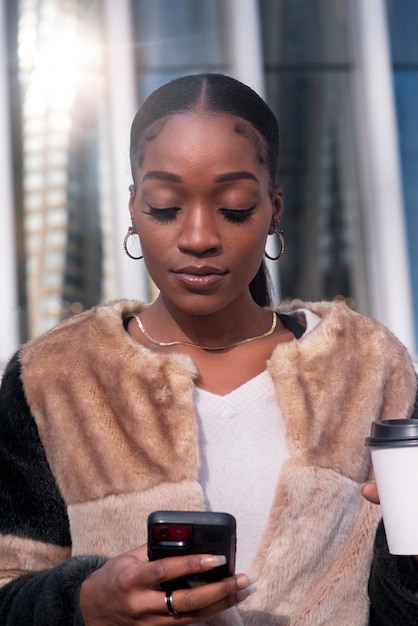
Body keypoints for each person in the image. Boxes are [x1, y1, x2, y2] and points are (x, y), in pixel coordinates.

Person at [0, 73, 417, 626]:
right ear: (132, 207)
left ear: (273, 208)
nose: (198, 237)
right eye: (166, 206)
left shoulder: (369, 368)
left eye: (236, 207)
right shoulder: (54, 378)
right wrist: (84, 603)